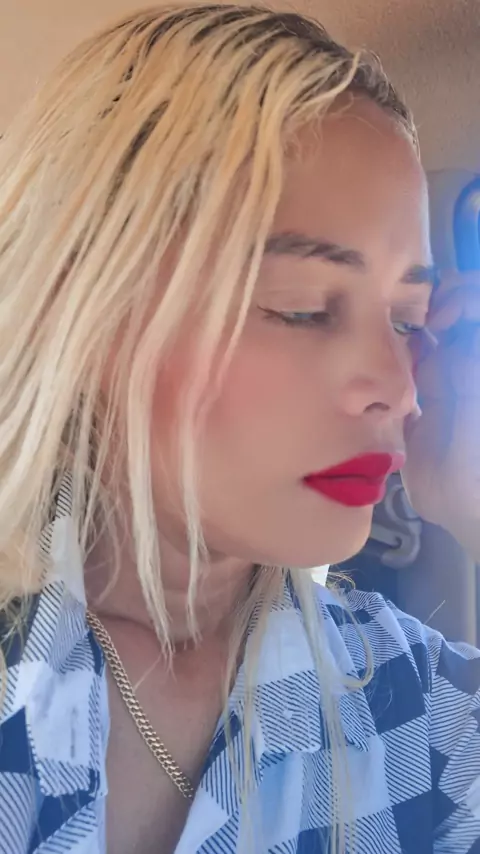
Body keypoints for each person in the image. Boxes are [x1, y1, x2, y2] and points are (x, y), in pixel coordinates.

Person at [0, 4, 480, 853]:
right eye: (304, 308)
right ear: (93, 313)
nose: (399, 386)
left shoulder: (422, 709)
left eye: (409, 319)